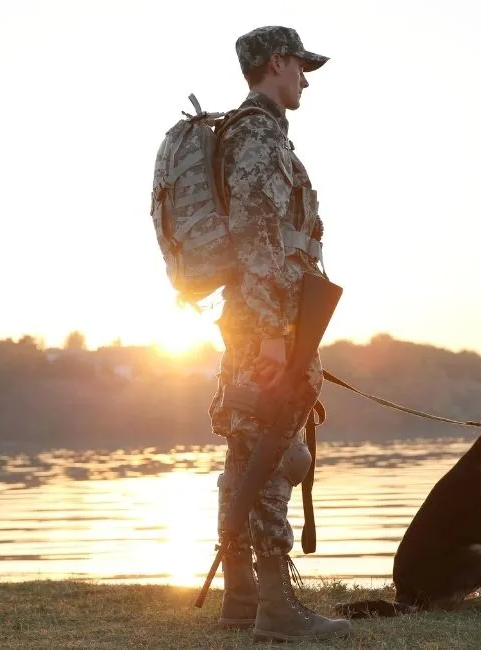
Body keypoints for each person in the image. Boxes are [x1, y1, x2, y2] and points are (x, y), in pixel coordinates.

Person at [207, 25, 352, 642]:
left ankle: (243, 597)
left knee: (248, 453)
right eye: (300, 66)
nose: (305, 79)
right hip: (268, 325)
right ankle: (277, 610)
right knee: (271, 455)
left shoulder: (249, 135)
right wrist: (273, 338)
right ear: (274, 64)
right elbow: (260, 239)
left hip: (259, 319)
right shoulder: (258, 137)